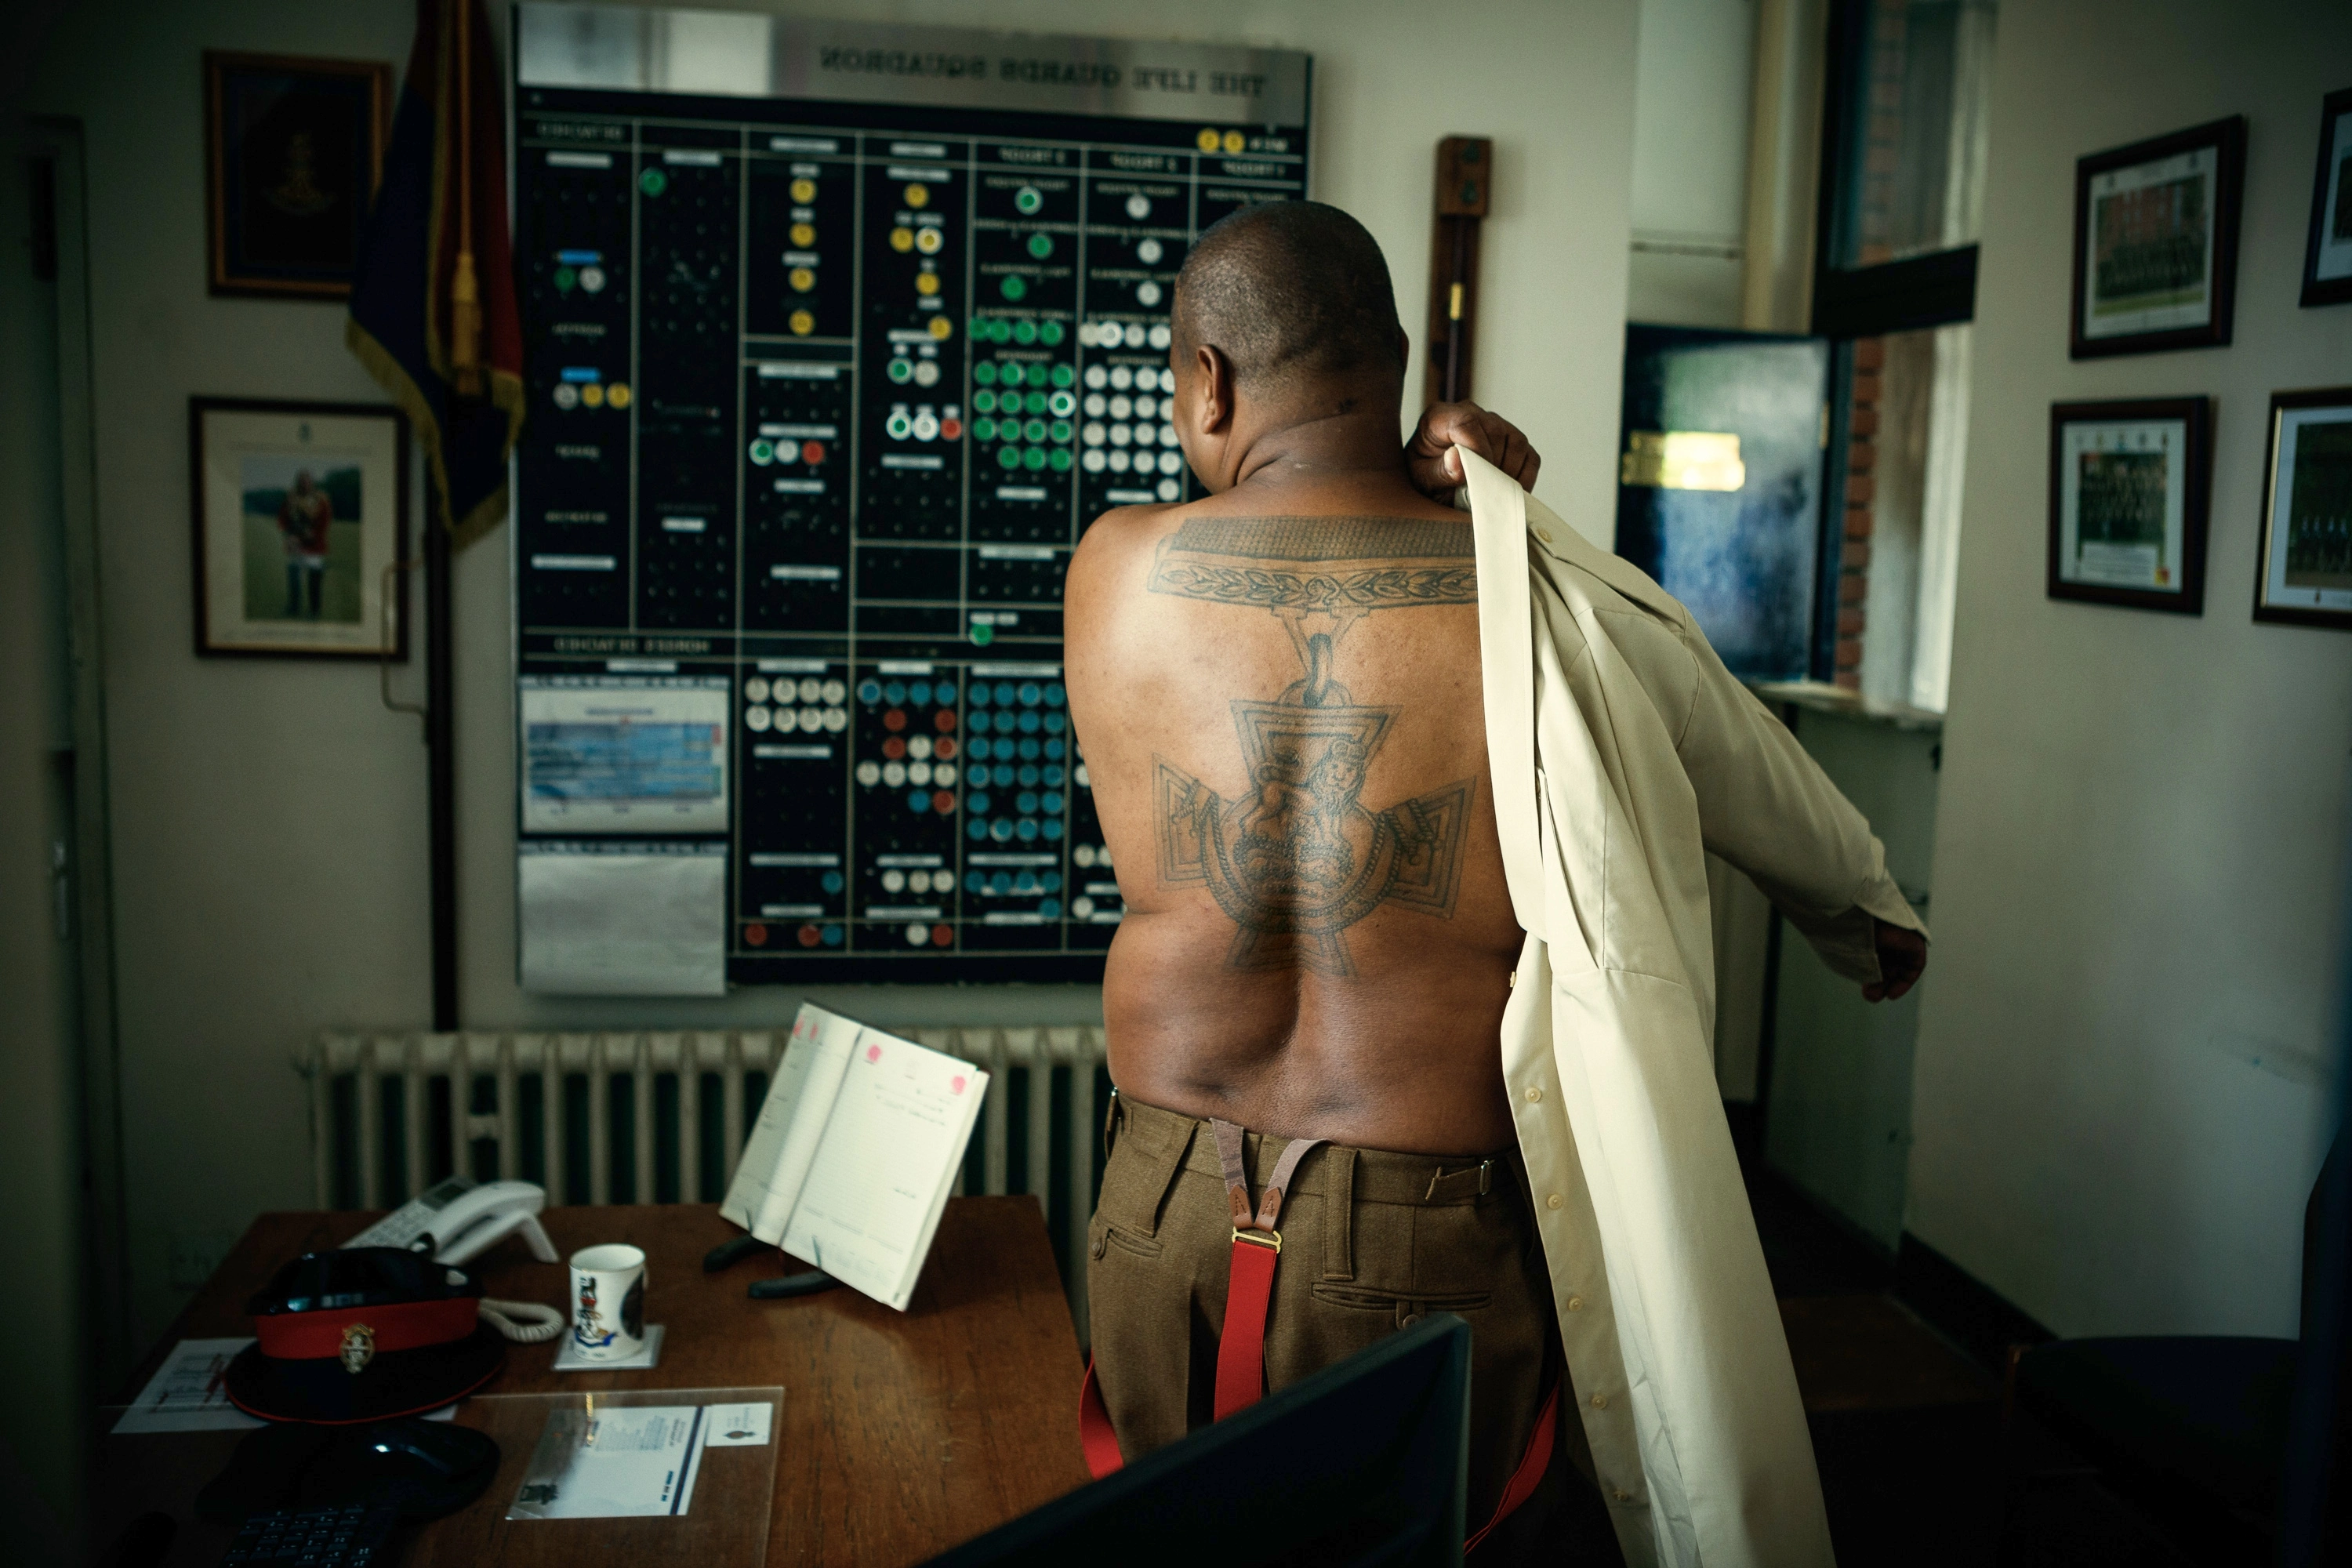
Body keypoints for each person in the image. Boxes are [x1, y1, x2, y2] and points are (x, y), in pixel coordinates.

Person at [1065, 200, 1927, 1566]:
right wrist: (1860, 897)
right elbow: (1711, 722)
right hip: (1418, 1232)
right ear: (1399, 366)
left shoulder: (1113, 570)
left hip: (1161, 1208)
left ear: (1208, 380)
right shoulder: (1528, 589)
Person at [279, 469, 334, 618]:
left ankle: (315, 611)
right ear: (298, 482)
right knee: (294, 579)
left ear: (312, 483)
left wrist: (312, 534)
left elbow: (325, 521)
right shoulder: (291, 498)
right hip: (295, 545)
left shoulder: (321, 500)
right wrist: (290, 535)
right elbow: (283, 519)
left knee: (314, 580)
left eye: (307, 481)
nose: (304, 484)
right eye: (301, 481)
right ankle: (294, 607)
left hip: (314, 546)